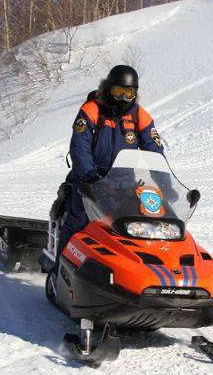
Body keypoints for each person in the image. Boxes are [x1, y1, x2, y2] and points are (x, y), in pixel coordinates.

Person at [55, 65, 165, 266]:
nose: (123, 98)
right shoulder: (92, 109)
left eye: (128, 93)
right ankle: (58, 272)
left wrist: (164, 182)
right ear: (108, 88)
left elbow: (154, 150)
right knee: (78, 224)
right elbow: (80, 146)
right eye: (118, 92)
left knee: (134, 228)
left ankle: (130, 272)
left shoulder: (139, 115)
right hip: (90, 181)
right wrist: (89, 175)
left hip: (124, 183)